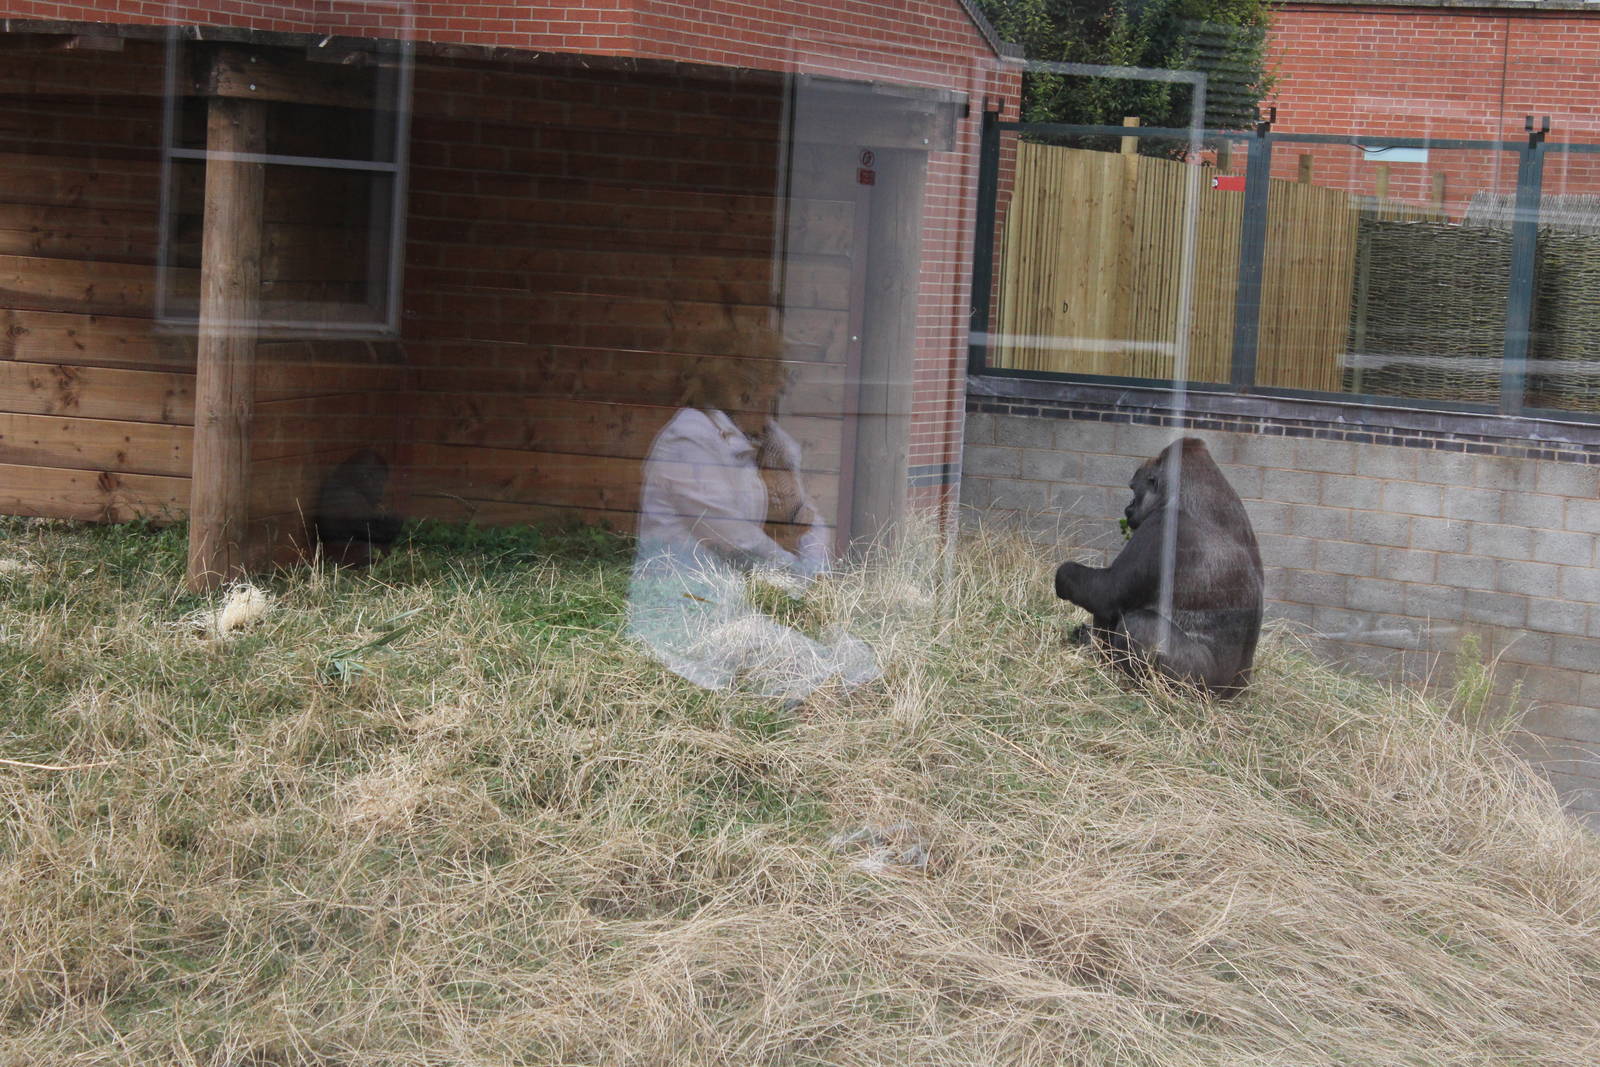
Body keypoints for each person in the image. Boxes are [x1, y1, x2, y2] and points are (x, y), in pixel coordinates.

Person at [626, 357, 876, 700]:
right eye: (771, 394)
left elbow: (805, 515)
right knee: (808, 666)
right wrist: (796, 578)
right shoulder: (689, 439)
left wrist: (817, 572)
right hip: (688, 603)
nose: (775, 404)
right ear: (742, 393)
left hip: (747, 594)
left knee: (852, 653)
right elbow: (732, 538)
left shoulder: (767, 438)